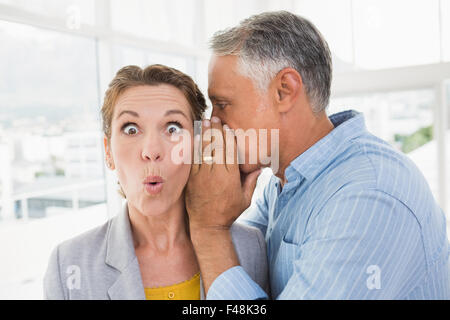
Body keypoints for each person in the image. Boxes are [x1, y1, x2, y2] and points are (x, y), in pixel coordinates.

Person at [185, 11, 450, 299]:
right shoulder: (285, 183)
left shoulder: (368, 194)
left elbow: (217, 249)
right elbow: (241, 265)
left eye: (223, 104)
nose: (214, 123)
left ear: (284, 91)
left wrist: (209, 229)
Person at [43, 64, 268, 300]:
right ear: (108, 152)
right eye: (131, 129)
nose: (151, 151)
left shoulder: (250, 248)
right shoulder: (69, 264)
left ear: (198, 146)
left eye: (173, 128)